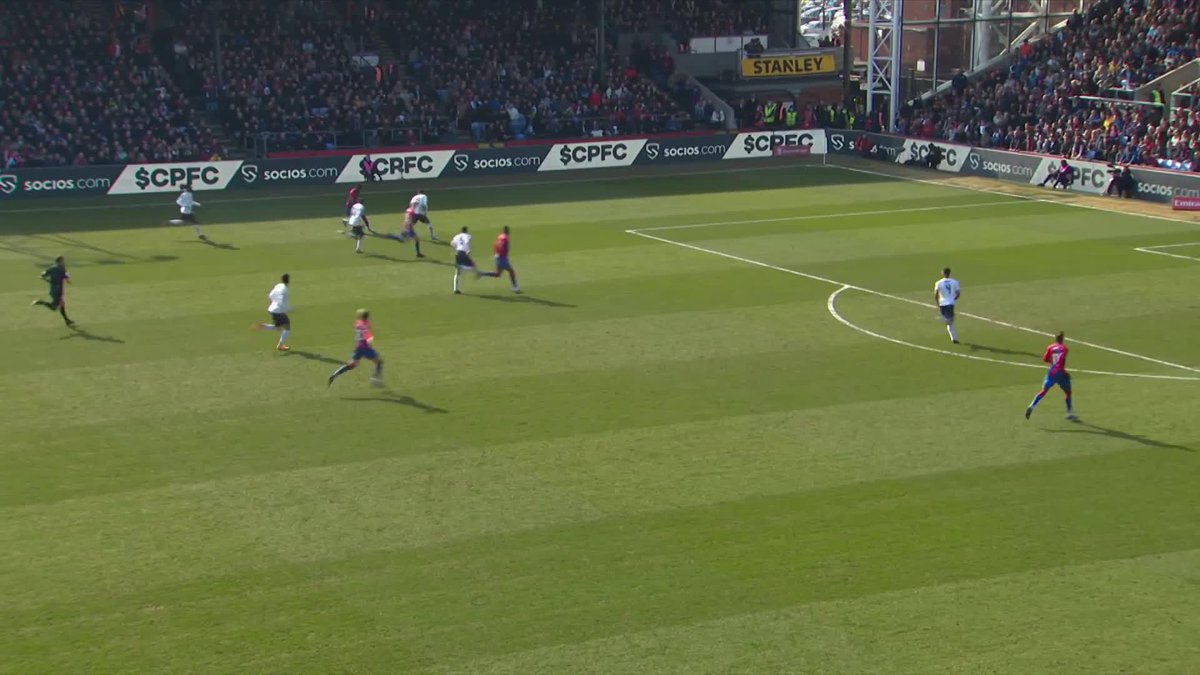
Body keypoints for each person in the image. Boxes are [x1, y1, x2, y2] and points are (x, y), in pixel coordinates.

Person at [327, 309, 384, 387]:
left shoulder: (357, 323)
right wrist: (370, 339)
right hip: (365, 348)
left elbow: (360, 326)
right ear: (367, 317)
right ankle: (375, 378)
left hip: (358, 348)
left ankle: (335, 374)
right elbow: (369, 338)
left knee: (352, 365)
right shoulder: (366, 325)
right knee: (379, 361)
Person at [1025, 332, 1075, 420]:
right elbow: (1061, 361)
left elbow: (1045, 359)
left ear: (1055, 338)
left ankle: (1032, 405)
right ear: (1062, 339)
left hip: (1051, 372)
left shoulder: (1050, 347)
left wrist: (1052, 363)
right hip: (1060, 373)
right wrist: (1064, 373)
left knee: (1043, 391)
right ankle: (1069, 413)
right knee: (1068, 392)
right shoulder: (1064, 348)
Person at [31, 256, 74, 326]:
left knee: (62, 305)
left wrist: (43, 277)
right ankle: (40, 302)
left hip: (53, 289)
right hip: (58, 290)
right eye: (63, 261)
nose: (64, 262)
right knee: (54, 307)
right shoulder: (61, 268)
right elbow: (66, 276)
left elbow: (44, 273)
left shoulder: (52, 267)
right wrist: (68, 278)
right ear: (60, 261)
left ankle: (67, 320)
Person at [255, 273, 291, 351]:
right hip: (278, 311)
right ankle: (280, 345)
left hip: (272, 309)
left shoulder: (278, 285)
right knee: (287, 327)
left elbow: (270, 295)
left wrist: (272, 304)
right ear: (288, 280)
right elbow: (282, 300)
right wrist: (287, 308)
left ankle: (262, 326)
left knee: (277, 327)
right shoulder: (285, 289)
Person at [479, 226, 520, 293]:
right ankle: (515, 288)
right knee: (511, 271)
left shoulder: (499, 236)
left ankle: (482, 273)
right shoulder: (506, 238)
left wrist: (496, 253)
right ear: (507, 231)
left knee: (497, 274)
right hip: (502, 258)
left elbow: (495, 245)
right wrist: (503, 254)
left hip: (497, 257)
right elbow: (502, 247)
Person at [933, 267, 960, 344]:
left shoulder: (938, 283)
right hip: (950, 303)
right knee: (950, 321)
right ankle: (943, 319)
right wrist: (953, 299)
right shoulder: (955, 282)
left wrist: (937, 304)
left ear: (943, 273)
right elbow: (958, 294)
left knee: (950, 322)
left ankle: (953, 338)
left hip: (942, 304)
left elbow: (936, 294)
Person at [450, 226, 480, 294]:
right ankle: (475, 273)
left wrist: (455, 249)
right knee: (473, 266)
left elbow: (452, 243)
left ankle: (455, 289)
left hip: (457, 253)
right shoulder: (467, 236)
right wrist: (468, 251)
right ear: (466, 231)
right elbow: (466, 243)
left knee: (457, 272)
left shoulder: (457, 236)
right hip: (463, 253)